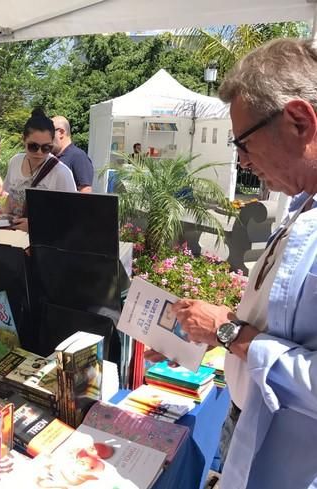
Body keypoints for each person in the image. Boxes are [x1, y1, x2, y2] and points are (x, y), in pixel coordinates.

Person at [146, 38, 317, 489]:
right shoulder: (303, 207)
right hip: (249, 432)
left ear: (299, 121)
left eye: (243, 142)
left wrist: (230, 333)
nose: (241, 159)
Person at [1, 108, 77, 232]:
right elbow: (11, 197)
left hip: (42, 245)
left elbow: (71, 218)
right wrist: (3, 215)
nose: (39, 153)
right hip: (13, 238)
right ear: (23, 139)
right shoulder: (15, 162)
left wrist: (36, 226)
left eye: (46, 147)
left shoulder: (61, 173)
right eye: (33, 146)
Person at [52, 116, 94, 193]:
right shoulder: (52, 157)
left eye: (49, 132)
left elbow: (85, 191)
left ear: (61, 132)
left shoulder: (78, 156)